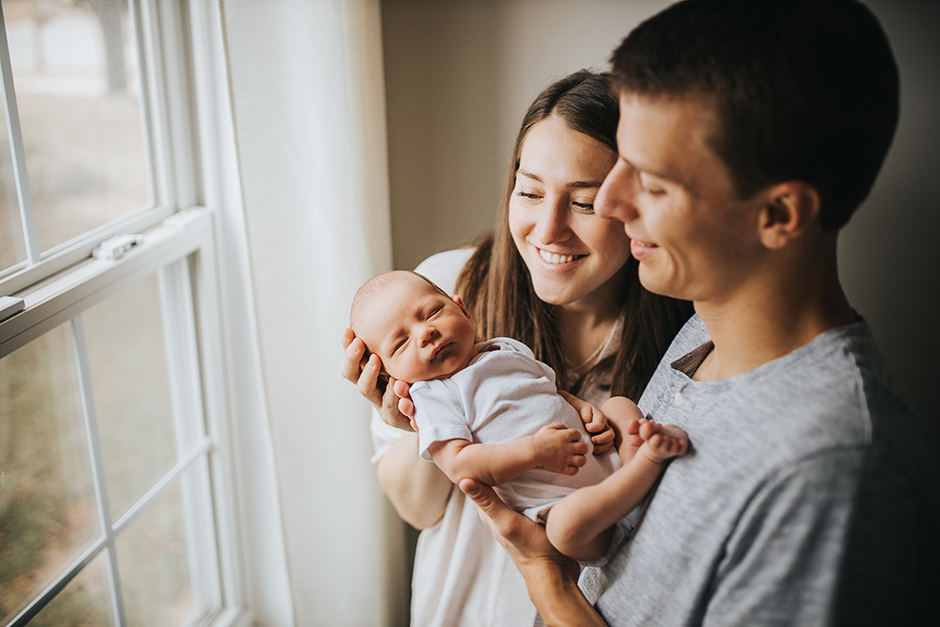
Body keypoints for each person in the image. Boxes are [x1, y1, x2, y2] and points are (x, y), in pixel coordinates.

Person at [459, 1, 940, 625]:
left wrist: (543, 576)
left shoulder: (830, 471)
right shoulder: (698, 336)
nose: (611, 200)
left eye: (654, 182)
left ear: (779, 215)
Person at [340, 69, 693, 626]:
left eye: (584, 202)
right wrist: (415, 426)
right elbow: (420, 511)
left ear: (636, 204)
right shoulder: (438, 293)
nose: (548, 230)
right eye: (529, 192)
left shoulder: (686, 336)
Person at [349, 270, 688, 561]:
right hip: (569, 506)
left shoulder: (501, 348)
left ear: (462, 308)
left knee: (618, 405)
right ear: (388, 375)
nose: (425, 333)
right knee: (562, 530)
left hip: (601, 455)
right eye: (401, 343)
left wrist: (586, 410)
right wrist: (535, 451)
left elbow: (550, 392)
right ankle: (647, 464)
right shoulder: (432, 398)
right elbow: (461, 464)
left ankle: (631, 460)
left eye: (432, 313)